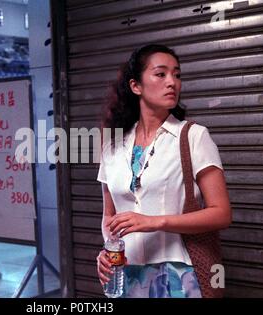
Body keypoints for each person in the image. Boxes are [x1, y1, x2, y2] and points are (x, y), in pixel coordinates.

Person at [96, 44, 231, 298]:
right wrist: (106, 251)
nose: (172, 82)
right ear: (136, 86)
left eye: (177, 75)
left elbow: (222, 214)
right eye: (161, 74)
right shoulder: (111, 145)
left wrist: (155, 221)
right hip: (126, 275)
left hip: (179, 276)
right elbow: (109, 216)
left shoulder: (193, 136)